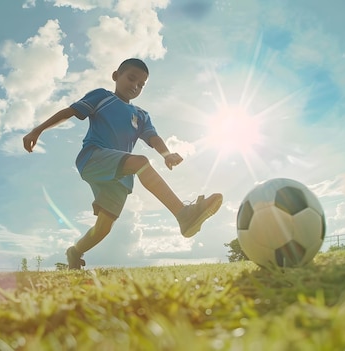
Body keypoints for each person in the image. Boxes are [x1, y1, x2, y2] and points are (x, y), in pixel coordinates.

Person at [23, 58, 222, 269]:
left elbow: (153, 137)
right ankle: (183, 214)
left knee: (103, 228)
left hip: (120, 173)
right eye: (131, 78)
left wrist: (166, 153)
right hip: (94, 158)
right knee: (141, 162)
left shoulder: (142, 116)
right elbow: (70, 112)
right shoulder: (102, 97)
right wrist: (38, 130)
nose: (135, 86)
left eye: (141, 85)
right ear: (116, 76)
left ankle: (75, 252)